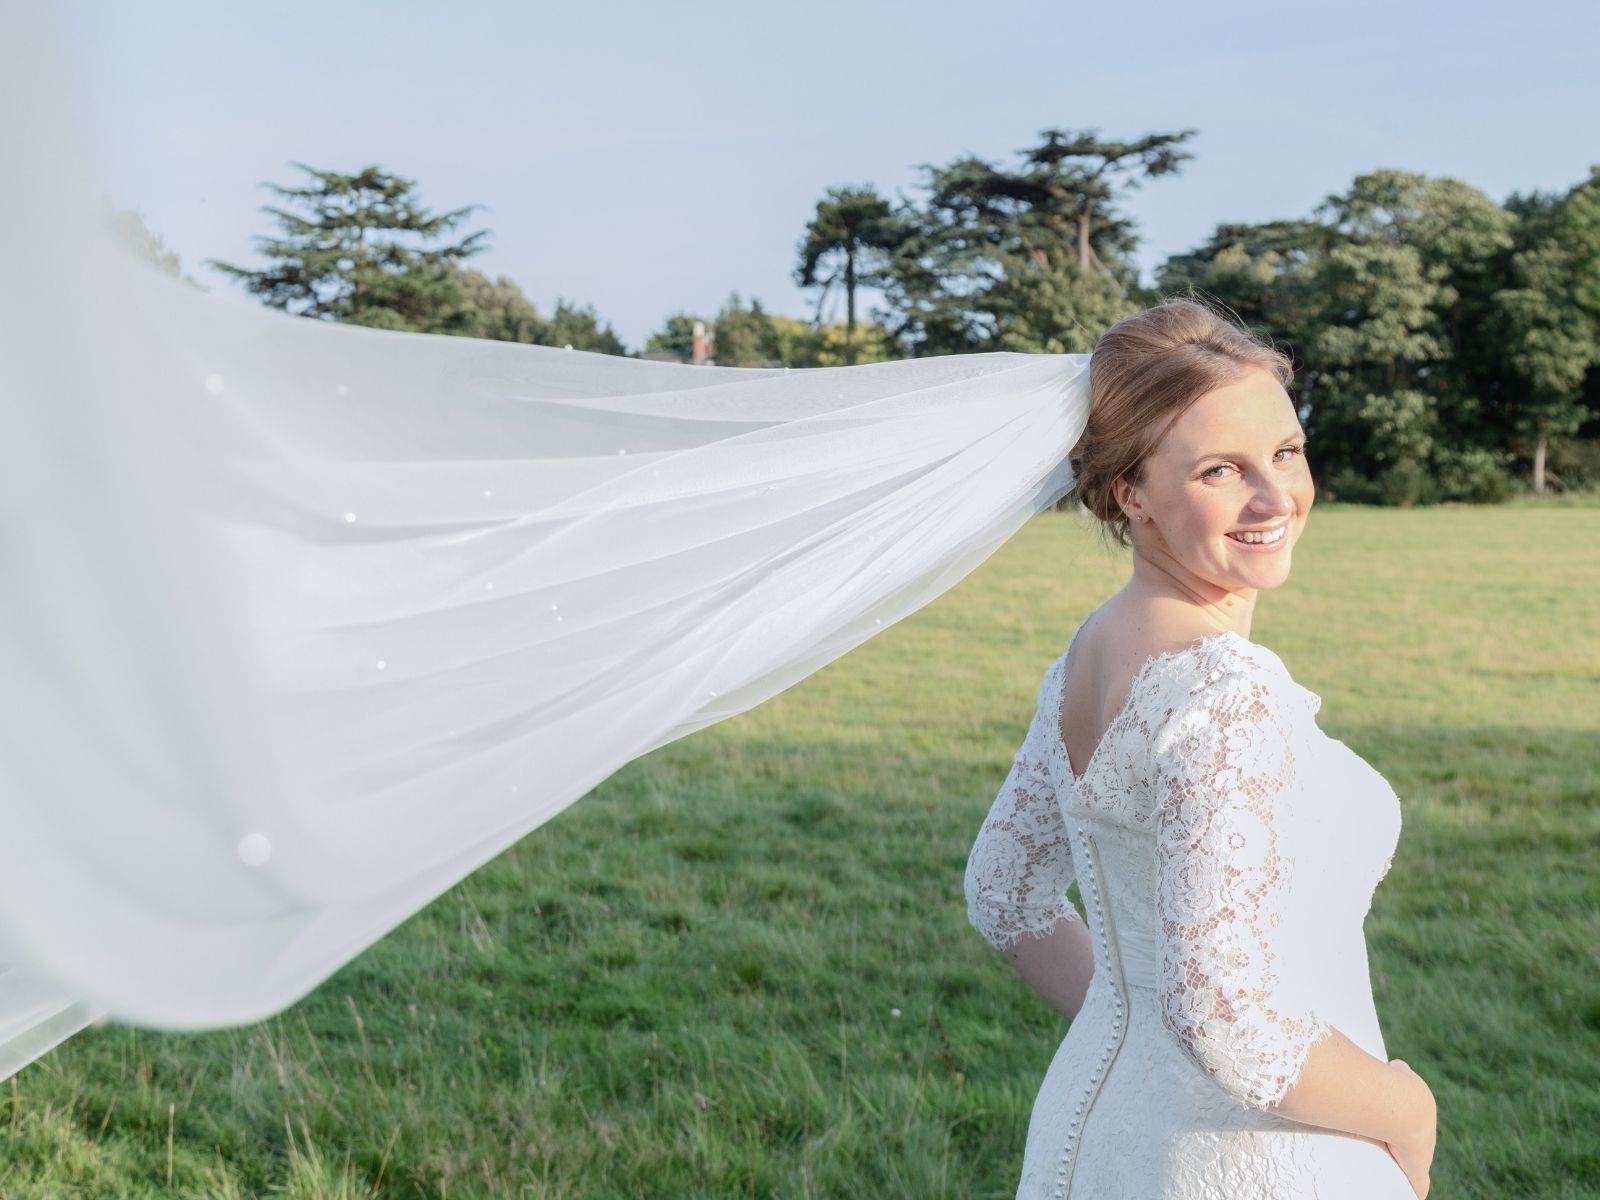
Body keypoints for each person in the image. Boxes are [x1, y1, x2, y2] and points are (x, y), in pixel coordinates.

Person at [962, 298, 1438, 1199]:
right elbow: (1223, 1010)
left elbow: (1001, 889)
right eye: (1222, 469)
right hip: (1254, 1161)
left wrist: (1129, 1021)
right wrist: (1406, 1114)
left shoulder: (1090, 654)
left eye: (1286, 452)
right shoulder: (1225, 693)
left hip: (1094, 1139)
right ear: (1129, 491)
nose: (1275, 497)